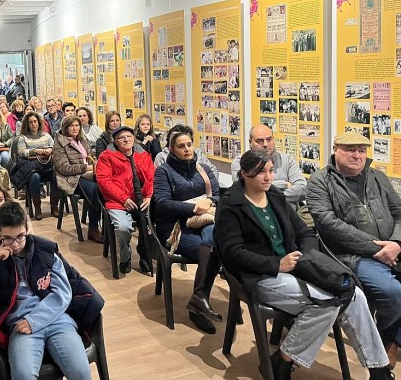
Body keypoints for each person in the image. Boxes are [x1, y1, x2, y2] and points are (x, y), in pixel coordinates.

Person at [216, 149, 392, 379]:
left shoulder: (275, 196)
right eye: (260, 173)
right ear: (243, 174)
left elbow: (304, 232)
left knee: (354, 293)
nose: (268, 177)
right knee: (329, 302)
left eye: (270, 171)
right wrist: (276, 264)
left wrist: (306, 256)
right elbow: (232, 253)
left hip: (295, 266)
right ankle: (283, 360)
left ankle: (378, 369)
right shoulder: (231, 205)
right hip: (260, 275)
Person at [0, 203, 99, 380]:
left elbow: (62, 294)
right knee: (23, 375)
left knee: (80, 372)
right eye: (8, 238)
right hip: (20, 326)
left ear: (27, 229)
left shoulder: (46, 251)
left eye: (20, 236)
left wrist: (34, 320)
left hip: (57, 320)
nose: (16, 244)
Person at [307, 131, 401, 368]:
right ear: (335, 149)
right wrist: (377, 249)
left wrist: (396, 244)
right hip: (349, 255)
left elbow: (399, 213)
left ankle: (390, 338)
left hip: (390, 248)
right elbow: (329, 225)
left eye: (361, 150)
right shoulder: (319, 182)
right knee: (393, 292)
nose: (357, 155)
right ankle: (385, 340)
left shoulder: (377, 177)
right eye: (350, 149)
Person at [152, 127, 221, 333]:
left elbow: (217, 194)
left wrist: (208, 200)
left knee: (217, 245)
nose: (187, 149)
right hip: (175, 226)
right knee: (208, 249)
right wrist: (192, 208)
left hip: (205, 221)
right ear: (172, 149)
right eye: (181, 146)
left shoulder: (203, 169)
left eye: (189, 145)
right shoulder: (164, 171)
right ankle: (199, 306)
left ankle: (198, 299)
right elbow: (162, 203)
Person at [96, 126, 154, 273]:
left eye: (129, 136)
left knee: (155, 221)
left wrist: (150, 196)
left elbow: (153, 177)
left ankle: (145, 253)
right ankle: (125, 255)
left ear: (134, 138)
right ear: (115, 141)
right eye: (122, 138)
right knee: (123, 228)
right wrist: (124, 198)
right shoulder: (106, 156)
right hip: (118, 201)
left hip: (142, 199)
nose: (126, 140)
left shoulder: (143, 155)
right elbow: (104, 181)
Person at [52, 116, 104, 244]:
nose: (75, 128)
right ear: (65, 127)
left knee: (104, 185)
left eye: (77, 125)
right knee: (94, 189)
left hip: (86, 174)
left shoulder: (83, 140)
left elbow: (90, 156)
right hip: (70, 178)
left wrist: (93, 163)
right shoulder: (60, 144)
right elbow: (64, 168)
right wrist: (85, 167)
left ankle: (107, 223)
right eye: (71, 126)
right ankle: (93, 228)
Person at [231, 124, 306, 208]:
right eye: (260, 141)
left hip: (289, 215)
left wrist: (264, 193)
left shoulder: (287, 160)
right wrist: (284, 184)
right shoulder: (239, 162)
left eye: (269, 139)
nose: (265, 144)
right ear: (250, 142)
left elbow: (302, 190)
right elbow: (244, 189)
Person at [11, 112, 55, 220]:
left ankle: (54, 206)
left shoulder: (46, 135)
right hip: (32, 166)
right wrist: (35, 151)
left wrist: (50, 149)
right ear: (27, 124)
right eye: (30, 122)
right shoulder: (23, 138)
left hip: (47, 165)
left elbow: (54, 147)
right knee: (35, 177)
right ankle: (37, 207)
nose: (33, 124)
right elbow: (21, 152)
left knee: (56, 176)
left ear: (39, 122)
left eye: (35, 121)